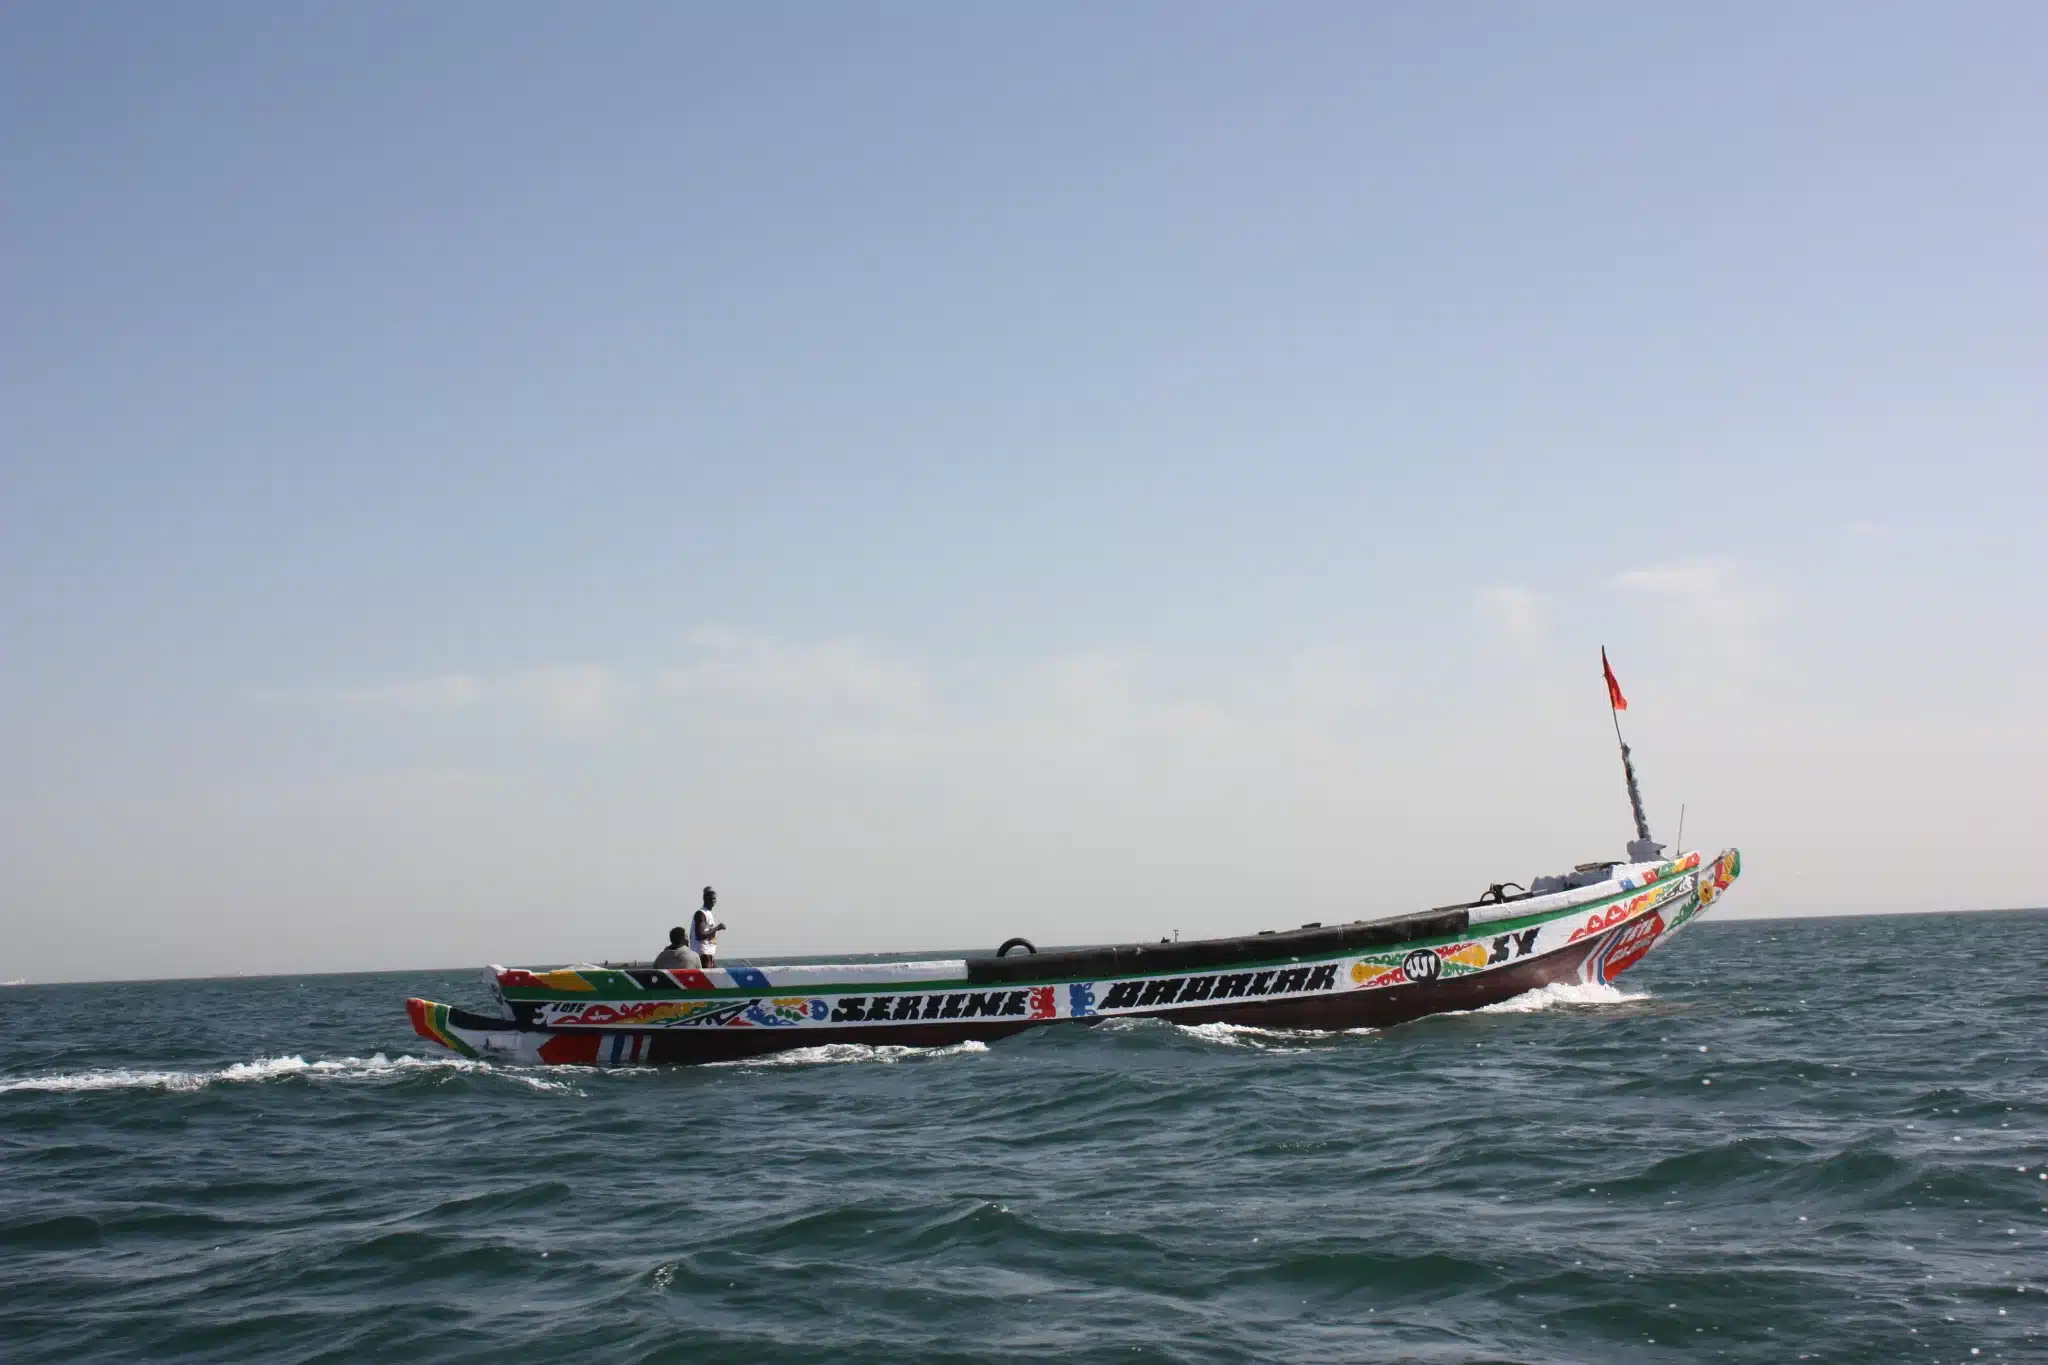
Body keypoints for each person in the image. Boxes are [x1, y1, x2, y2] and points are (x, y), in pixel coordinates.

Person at [690, 886, 726, 967]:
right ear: (705, 899)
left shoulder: (708, 913)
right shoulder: (701, 913)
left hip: (709, 953)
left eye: (714, 898)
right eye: (710, 898)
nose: (713, 901)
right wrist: (717, 928)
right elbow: (700, 935)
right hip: (703, 954)